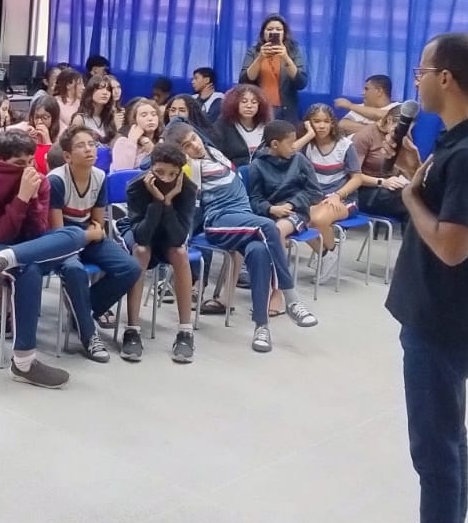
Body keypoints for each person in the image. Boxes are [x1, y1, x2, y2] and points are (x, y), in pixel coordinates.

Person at [358, 32, 468, 523]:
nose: (415, 80)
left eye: (422, 70)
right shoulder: (466, 137)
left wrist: (411, 199)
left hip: (444, 321)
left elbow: (451, 246)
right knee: (448, 436)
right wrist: (421, 170)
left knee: (436, 443)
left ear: (445, 77)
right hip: (442, 314)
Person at [172, 120, 317, 352]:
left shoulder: (213, 152)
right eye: (186, 145)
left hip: (244, 219)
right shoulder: (190, 168)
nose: (194, 146)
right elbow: (163, 168)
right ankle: (292, 300)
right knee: (269, 228)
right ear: (181, 151)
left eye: (194, 139)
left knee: (259, 251)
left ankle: (262, 327)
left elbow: (267, 145)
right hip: (219, 222)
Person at [0, 129, 81, 387]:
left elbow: (38, 231)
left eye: (30, 162)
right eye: (19, 164)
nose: (28, 169)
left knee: (74, 234)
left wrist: (35, 200)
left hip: (15, 248)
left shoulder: (38, 179)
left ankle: (3, 260)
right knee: (30, 270)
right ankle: (24, 362)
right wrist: (21, 198)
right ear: (0, 159)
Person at [47, 126, 143, 362]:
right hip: (61, 239)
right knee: (73, 269)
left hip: (88, 234)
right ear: (68, 156)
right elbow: (58, 234)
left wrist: (94, 232)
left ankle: (83, 312)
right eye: (81, 145)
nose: (89, 149)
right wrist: (90, 234)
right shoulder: (56, 181)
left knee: (130, 268)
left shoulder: (99, 177)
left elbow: (98, 223)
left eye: (92, 144)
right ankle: (89, 335)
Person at [119, 141, 198, 362]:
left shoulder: (188, 189)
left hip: (169, 235)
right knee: (142, 251)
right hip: (140, 233)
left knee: (180, 253)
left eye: (172, 174)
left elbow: (179, 237)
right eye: (160, 172)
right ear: (151, 166)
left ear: (180, 173)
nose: (165, 179)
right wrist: (157, 200)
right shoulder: (136, 186)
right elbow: (141, 235)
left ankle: (185, 332)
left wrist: (169, 202)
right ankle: (132, 329)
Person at [248, 119, 344, 286]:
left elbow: (315, 193)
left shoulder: (299, 160)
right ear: (275, 144)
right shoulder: (257, 165)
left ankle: (279, 285)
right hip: (269, 212)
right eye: (290, 143)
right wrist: (271, 209)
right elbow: (254, 199)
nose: (294, 146)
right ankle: (266, 274)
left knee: (276, 231)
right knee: (263, 232)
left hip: (296, 211)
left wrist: (291, 204)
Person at [301, 103, 367, 281]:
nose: (321, 126)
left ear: (332, 123)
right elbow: (288, 153)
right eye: (316, 121)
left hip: (343, 199)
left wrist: (338, 195)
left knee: (318, 219)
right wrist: (307, 135)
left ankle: (330, 252)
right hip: (316, 197)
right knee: (296, 219)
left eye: (326, 121)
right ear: (309, 123)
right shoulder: (307, 145)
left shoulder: (345, 145)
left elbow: (357, 178)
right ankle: (327, 253)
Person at [351, 105, 417, 223]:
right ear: (390, 120)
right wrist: (383, 182)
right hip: (364, 191)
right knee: (410, 202)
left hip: (391, 188)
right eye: (400, 130)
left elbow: (405, 170)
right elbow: (353, 176)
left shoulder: (404, 138)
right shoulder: (364, 136)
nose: (404, 134)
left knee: (418, 199)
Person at [238, 15, 309, 121]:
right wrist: (260, 58)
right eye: (270, 29)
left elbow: (301, 82)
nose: (274, 32)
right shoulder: (253, 51)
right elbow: (244, 81)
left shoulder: (293, 51)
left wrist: (285, 57)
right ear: (263, 33)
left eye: (279, 29)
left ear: (284, 33)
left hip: (286, 109)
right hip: (260, 108)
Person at [211, 83, 270, 166]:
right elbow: (216, 155)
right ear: (234, 104)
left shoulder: (267, 125)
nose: (249, 106)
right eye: (244, 101)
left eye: (254, 102)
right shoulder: (222, 125)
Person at [111, 97, 161, 171]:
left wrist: (150, 146)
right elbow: (122, 172)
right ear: (135, 121)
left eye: (154, 114)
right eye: (144, 115)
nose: (150, 118)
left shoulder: (162, 142)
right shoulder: (122, 143)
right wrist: (132, 141)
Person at [73, 76, 118, 144]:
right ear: (90, 92)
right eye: (100, 88)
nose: (105, 92)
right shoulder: (80, 119)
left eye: (108, 89)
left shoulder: (110, 118)